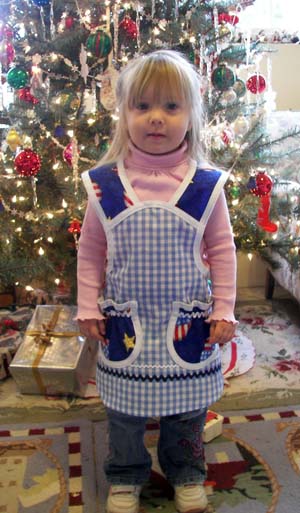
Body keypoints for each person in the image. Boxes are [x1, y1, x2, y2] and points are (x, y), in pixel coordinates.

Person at [77, 49, 237, 513]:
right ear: (123, 113)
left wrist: (224, 308)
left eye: (171, 107)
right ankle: (126, 475)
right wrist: (88, 306)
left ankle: (186, 470)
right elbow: (91, 251)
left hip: (185, 325)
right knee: (124, 413)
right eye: (142, 106)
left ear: (192, 114)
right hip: (127, 325)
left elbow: (223, 252)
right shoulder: (105, 185)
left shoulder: (205, 186)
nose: (155, 119)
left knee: (186, 413)